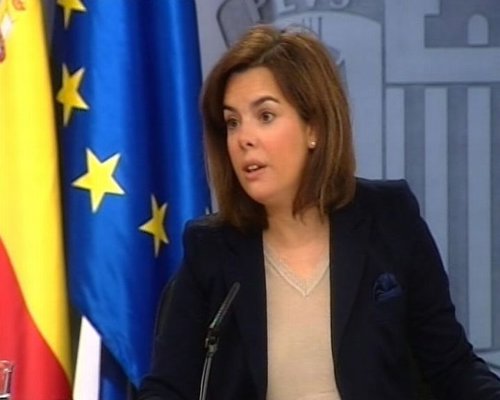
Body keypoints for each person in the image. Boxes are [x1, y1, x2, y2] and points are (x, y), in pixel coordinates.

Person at [138, 24, 500, 400]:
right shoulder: (211, 249)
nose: (243, 138)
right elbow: (167, 388)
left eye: (265, 116)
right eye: (232, 122)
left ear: (314, 127)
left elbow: (453, 369)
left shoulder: (390, 219)